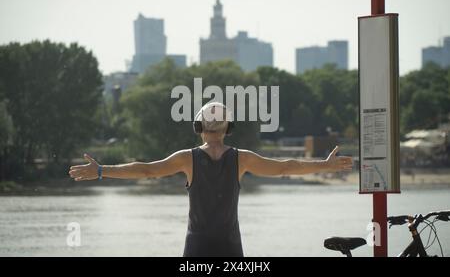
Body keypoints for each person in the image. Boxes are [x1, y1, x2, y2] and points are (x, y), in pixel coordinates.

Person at [69, 102, 353, 257]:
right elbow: (284, 168)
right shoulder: (243, 158)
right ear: (228, 128)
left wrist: (102, 170)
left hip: (197, 246)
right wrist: (323, 164)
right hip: (230, 246)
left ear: (198, 127)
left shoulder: (186, 158)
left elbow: (145, 170)